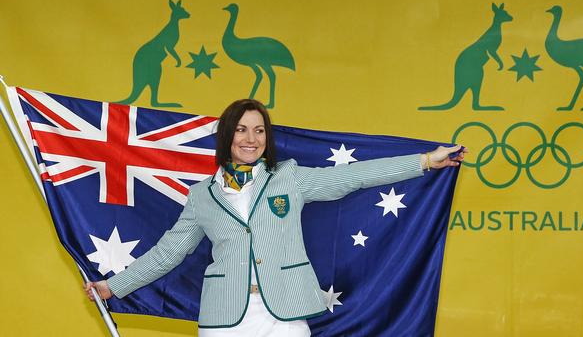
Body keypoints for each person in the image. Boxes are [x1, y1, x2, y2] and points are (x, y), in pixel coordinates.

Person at [84, 99, 467, 336]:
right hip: (224, 318)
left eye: (259, 130)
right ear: (226, 137)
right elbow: (168, 253)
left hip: (284, 315)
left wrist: (424, 162)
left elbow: (353, 176)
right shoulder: (202, 196)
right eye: (241, 130)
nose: (250, 139)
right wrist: (113, 286)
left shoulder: (289, 178)